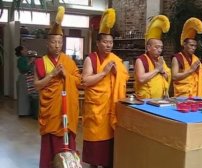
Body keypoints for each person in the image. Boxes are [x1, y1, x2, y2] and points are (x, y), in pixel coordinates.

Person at [33, 6, 81, 168]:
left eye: (60, 42)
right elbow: (38, 85)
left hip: (67, 111)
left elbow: (78, 81)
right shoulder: (40, 62)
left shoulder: (68, 61)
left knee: (67, 141)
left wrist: (66, 75)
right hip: (51, 112)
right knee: (50, 144)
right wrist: (52, 74)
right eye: (53, 42)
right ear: (48, 43)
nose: (57, 45)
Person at [81, 8, 128, 168]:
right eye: (105, 42)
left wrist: (116, 73)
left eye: (111, 43)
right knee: (95, 143)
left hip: (111, 107)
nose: (109, 45)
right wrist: (104, 72)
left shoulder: (116, 59)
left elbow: (124, 77)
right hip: (96, 108)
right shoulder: (91, 59)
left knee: (110, 144)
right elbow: (86, 81)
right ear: (98, 43)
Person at [134, 15, 171, 99]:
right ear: (148, 48)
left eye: (161, 47)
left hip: (160, 99)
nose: (159, 50)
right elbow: (141, 79)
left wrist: (162, 71)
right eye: (156, 47)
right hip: (145, 99)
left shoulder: (161, 60)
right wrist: (157, 70)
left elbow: (167, 77)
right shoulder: (141, 60)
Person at [172, 18, 202, 97]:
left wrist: (199, 71)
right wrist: (190, 71)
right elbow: (174, 77)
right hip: (182, 95)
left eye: (195, 46)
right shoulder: (177, 58)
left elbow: (201, 76)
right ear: (184, 44)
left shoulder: (196, 59)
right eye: (191, 45)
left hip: (195, 94)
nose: (193, 48)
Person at [15, 45, 39, 118]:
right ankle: (23, 112)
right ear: (21, 51)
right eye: (25, 49)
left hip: (30, 78)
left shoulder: (26, 58)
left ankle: (30, 112)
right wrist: (30, 62)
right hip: (23, 79)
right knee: (23, 96)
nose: (26, 50)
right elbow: (23, 69)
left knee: (30, 95)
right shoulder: (20, 59)